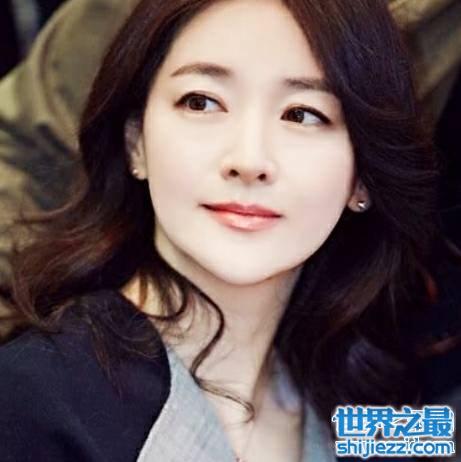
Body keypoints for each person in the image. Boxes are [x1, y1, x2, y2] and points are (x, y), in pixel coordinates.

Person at [0, 0, 460, 461]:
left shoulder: (373, 417)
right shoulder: (36, 400)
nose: (249, 159)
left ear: (362, 178)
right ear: (136, 142)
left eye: (302, 114)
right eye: (201, 102)